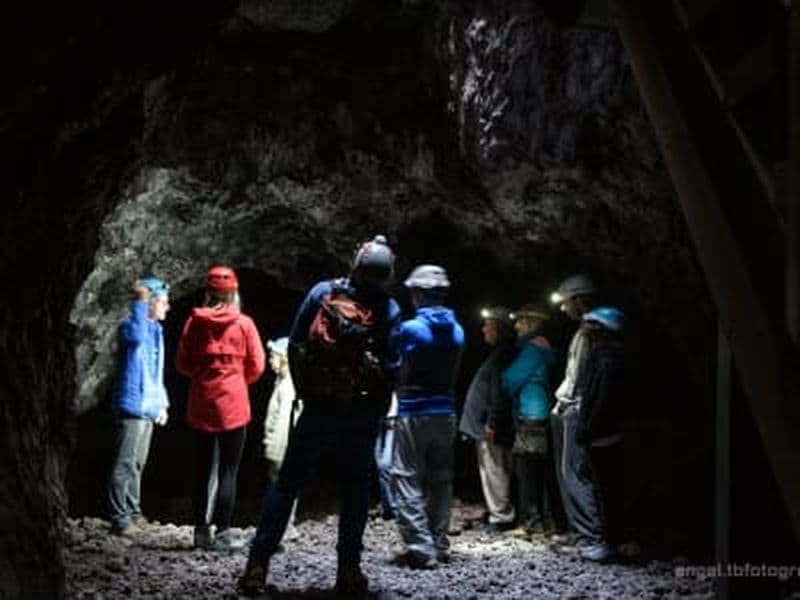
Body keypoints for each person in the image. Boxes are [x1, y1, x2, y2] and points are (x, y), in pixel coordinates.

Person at [238, 235, 402, 597]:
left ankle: (257, 565)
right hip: (360, 411)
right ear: (387, 274)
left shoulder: (321, 294)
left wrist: (307, 393)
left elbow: (296, 345)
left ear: (355, 264)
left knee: (287, 482)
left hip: (320, 406)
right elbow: (392, 368)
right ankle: (348, 572)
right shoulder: (388, 309)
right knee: (356, 488)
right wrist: (374, 409)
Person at [175, 266, 266, 551]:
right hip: (234, 404)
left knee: (202, 469)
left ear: (208, 293)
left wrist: (203, 377)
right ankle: (224, 531)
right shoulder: (244, 324)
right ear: (233, 293)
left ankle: (201, 531)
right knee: (229, 469)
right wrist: (238, 380)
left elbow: (182, 363)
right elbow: (257, 365)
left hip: (202, 402)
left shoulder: (194, 322)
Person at [391, 265, 465, 568]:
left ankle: (421, 549)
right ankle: (439, 543)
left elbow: (400, 370)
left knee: (406, 477)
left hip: (413, 411)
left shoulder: (411, 329)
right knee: (441, 480)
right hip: (445, 412)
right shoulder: (458, 331)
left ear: (418, 293)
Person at [107, 277, 171, 535]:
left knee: (137, 464)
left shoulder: (156, 331)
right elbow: (136, 337)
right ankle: (119, 517)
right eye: (163, 303)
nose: (167, 308)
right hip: (131, 407)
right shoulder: (129, 327)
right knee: (123, 463)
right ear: (151, 302)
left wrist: (162, 405)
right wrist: (141, 302)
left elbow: (156, 373)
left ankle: (133, 512)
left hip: (147, 409)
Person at [549, 274, 604, 553]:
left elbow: (579, 377)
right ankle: (581, 533)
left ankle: (591, 538)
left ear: (579, 300)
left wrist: (567, 404)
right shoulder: (586, 330)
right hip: (571, 407)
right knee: (570, 472)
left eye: (566, 301)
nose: (562, 308)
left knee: (574, 473)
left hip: (575, 408)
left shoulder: (590, 332)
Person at [458, 305, 517, 534]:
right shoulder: (499, 353)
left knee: (495, 468)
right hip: (485, 424)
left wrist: (492, 421)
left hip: (490, 426)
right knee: (493, 468)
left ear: (500, 329)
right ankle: (499, 512)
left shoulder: (503, 355)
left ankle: (501, 517)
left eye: (488, 326)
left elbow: (498, 392)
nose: (483, 330)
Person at [575, 306, 628, 562]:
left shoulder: (607, 360)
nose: (584, 328)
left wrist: (586, 429)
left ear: (600, 329)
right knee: (605, 490)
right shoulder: (603, 356)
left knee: (608, 492)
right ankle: (610, 541)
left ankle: (611, 544)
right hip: (602, 433)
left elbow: (602, 401)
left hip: (603, 435)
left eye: (589, 324)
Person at [501, 304, 557, 539]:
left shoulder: (532, 349)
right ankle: (548, 522)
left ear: (532, 323)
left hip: (529, 413)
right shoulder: (544, 347)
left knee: (526, 470)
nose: (516, 326)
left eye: (520, 321)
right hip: (542, 412)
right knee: (541, 471)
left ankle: (531, 523)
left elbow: (510, 379)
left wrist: (507, 382)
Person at [262, 336, 302, 539]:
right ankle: (282, 524)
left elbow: (284, 423)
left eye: (273, 356)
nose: (269, 360)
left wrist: (274, 450)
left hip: (282, 447)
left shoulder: (288, 386)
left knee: (282, 486)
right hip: (283, 447)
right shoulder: (283, 382)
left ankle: (283, 526)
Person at [374, 392, 399, 521]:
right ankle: (389, 506)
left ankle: (392, 508)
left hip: (392, 415)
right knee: (378, 463)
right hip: (374, 414)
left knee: (385, 464)